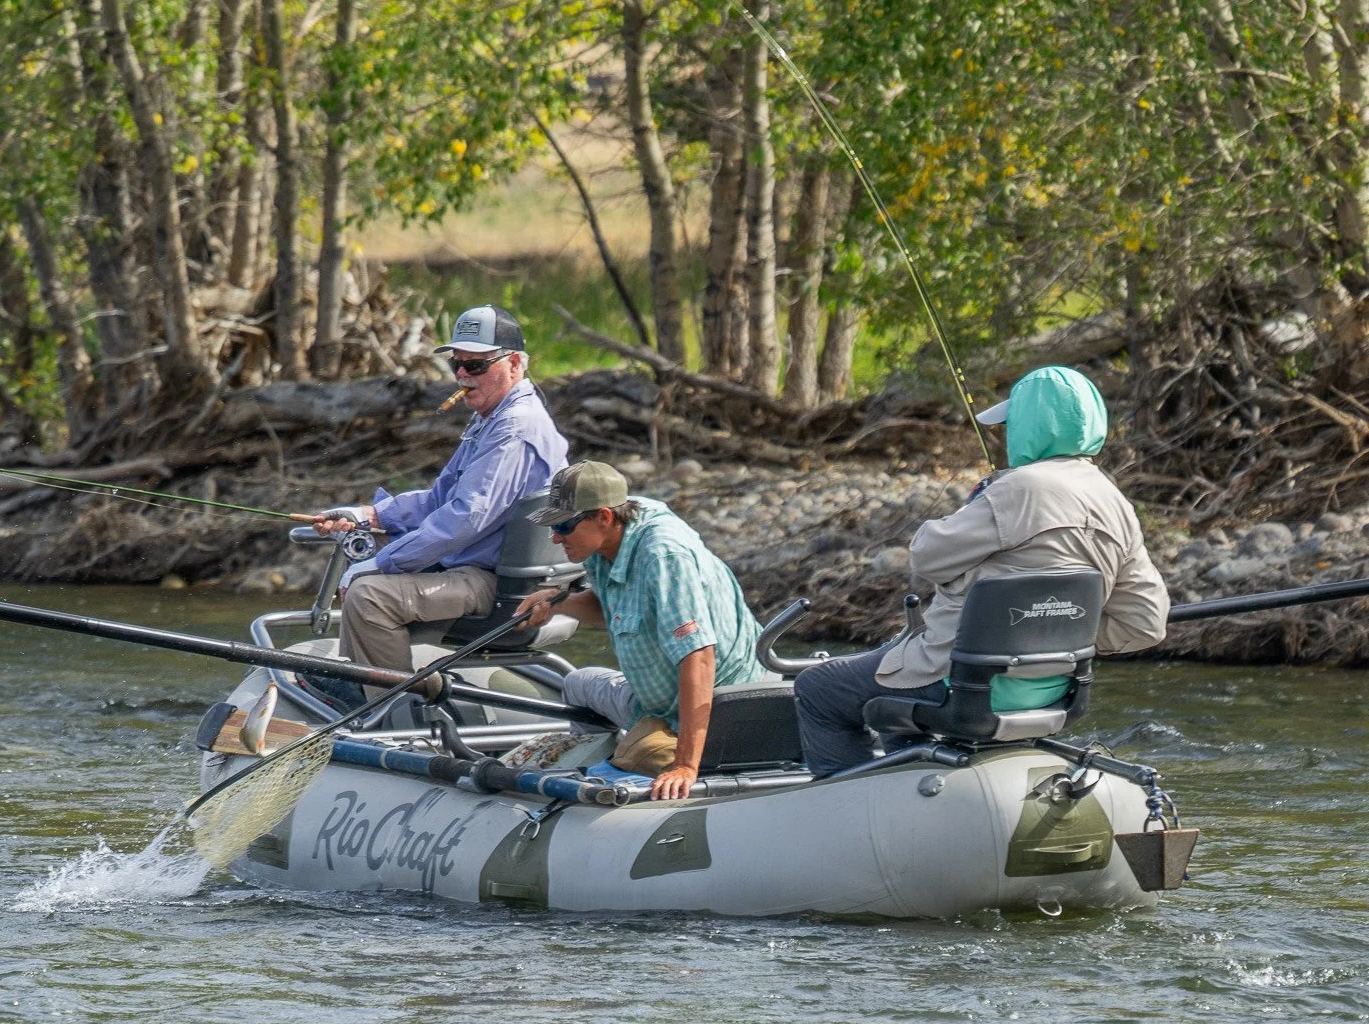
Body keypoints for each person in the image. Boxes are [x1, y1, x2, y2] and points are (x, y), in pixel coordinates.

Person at [792, 365, 1169, 777]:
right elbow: (1146, 624)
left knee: (818, 688)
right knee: (891, 687)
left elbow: (927, 556)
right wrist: (1057, 632)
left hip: (964, 684)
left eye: (1012, 423)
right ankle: (909, 791)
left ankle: (845, 807)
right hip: (1054, 692)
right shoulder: (1115, 502)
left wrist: (980, 498)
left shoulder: (1016, 489)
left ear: (1029, 425)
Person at [312, 305, 568, 690]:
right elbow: (441, 499)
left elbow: (466, 517)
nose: (463, 375)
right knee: (365, 551)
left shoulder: (514, 427)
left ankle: (386, 708)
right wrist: (370, 515)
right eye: (457, 365)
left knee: (370, 595)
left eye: (476, 366)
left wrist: (381, 564)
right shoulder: (491, 417)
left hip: (495, 583)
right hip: (472, 565)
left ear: (514, 363)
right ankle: (359, 680)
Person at [514, 461, 765, 801]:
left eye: (563, 525)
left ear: (604, 516)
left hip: (719, 706)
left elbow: (699, 658)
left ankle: (646, 772)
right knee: (576, 683)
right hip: (655, 706)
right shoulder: (609, 537)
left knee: (674, 748)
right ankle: (596, 782)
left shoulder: (663, 555)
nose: (555, 537)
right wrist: (557, 602)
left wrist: (685, 767)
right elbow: (612, 608)